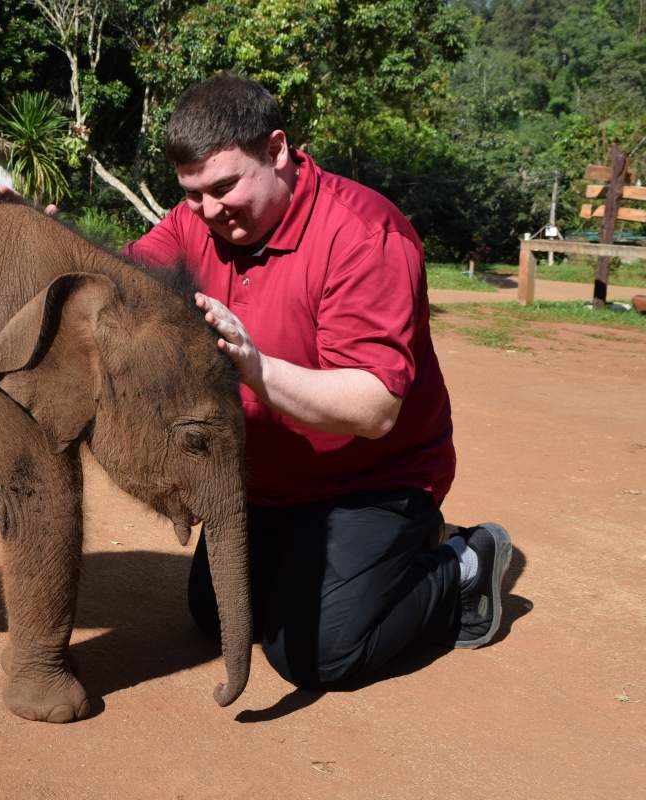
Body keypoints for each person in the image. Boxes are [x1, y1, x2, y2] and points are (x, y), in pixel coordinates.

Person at [118, 72, 512, 689]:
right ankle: (361, 565)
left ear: (278, 151)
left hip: (371, 478)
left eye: (224, 187)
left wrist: (254, 362)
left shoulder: (363, 234)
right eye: (193, 194)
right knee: (214, 612)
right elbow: (123, 283)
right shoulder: (196, 221)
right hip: (270, 479)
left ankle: (462, 564)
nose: (209, 211)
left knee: (316, 654)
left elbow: (374, 407)